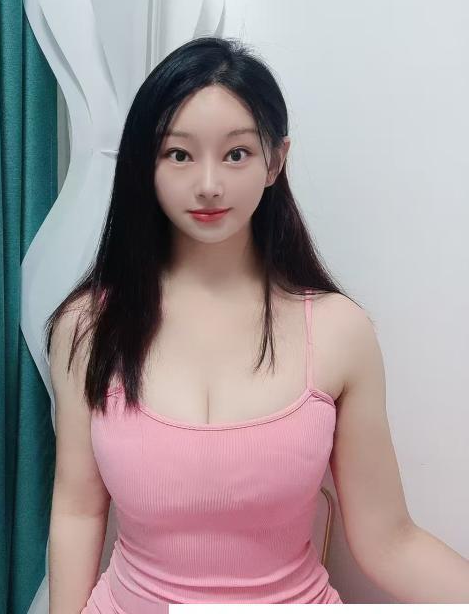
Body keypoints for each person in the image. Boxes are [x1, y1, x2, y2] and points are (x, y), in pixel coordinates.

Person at [45, 37, 469, 612]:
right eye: (179, 155)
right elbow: (77, 511)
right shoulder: (88, 327)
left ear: (276, 160)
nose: (209, 183)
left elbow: (390, 541)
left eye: (237, 153)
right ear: (145, 164)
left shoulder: (338, 331)